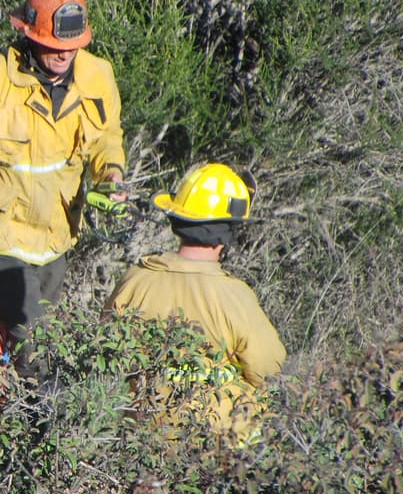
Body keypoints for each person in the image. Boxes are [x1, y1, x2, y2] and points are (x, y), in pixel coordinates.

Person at [0, 0, 125, 376]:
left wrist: (111, 175)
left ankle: (7, 414)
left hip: (54, 240)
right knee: (34, 341)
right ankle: (42, 423)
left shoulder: (98, 77)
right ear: (28, 35)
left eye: (72, 48)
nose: (64, 56)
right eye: (54, 46)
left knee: (34, 339)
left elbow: (106, 138)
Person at [106, 162, 286, 446]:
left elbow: (107, 352)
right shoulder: (234, 296)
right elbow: (270, 371)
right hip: (220, 450)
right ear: (227, 232)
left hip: (146, 442)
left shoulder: (135, 281)